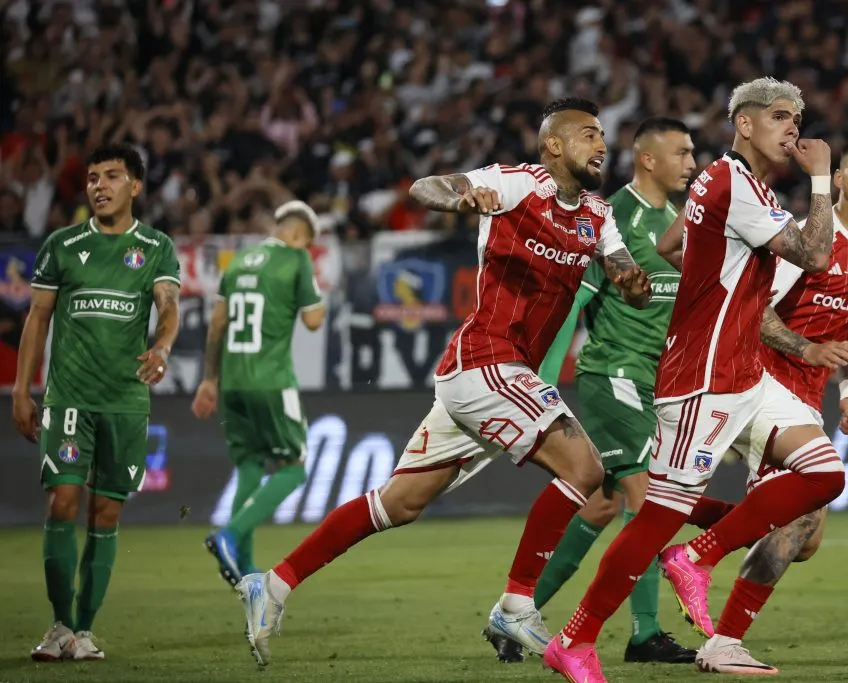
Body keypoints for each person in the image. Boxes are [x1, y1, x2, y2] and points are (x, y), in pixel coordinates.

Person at [233, 97, 652, 667]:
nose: (602, 144)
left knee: (399, 504)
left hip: (488, 377)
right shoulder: (514, 185)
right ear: (553, 144)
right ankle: (516, 604)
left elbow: (622, 265)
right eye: (587, 134)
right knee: (586, 471)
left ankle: (273, 583)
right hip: (487, 361)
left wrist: (631, 282)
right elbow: (425, 187)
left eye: (603, 135)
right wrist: (461, 196)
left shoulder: (597, 216)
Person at [544, 76, 846, 681]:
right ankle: (573, 641)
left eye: (798, 117)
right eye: (782, 116)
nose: (794, 127)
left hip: (744, 372)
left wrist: (719, 289)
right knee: (655, 514)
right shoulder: (735, 184)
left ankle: (699, 555)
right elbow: (816, 255)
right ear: (744, 123)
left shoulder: (721, 180)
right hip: (703, 378)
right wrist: (821, 177)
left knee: (823, 474)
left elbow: (672, 242)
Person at [664, 127, 848, 655]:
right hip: (762, 382)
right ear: (837, 177)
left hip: (807, 397)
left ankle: (677, 512)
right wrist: (805, 348)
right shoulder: (805, 237)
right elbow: (755, 312)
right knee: (801, 517)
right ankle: (723, 640)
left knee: (805, 541)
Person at [485, 116, 704, 665]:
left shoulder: (681, 224)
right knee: (649, 499)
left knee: (604, 504)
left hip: (657, 382)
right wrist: (541, 378)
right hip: (615, 375)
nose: (692, 164)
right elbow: (570, 306)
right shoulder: (615, 218)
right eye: (682, 153)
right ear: (648, 159)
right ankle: (644, 635)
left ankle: (516, 613)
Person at [12, 142, 181, 661]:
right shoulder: (62, 245)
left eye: (111, 176)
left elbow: (169, 306)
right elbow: (37, 318)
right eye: (91, 178)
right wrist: (22, 389)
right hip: (69, 400)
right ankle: (59, 625)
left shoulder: (154, 246)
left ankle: (84, 630)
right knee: (62, 500)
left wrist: (162, 347)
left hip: (125, 402)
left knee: (104, 514)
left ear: (135, 186)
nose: (99, 186)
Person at [191, 199, 326, 586]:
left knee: (250, 465)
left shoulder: (237, 262)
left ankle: (244, 569)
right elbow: (314, 321)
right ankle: (229, 536)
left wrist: (209, 379)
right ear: (301, 236)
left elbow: (216, 325)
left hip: (231, 383)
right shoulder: (297, 260)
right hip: (271, 381)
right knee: (295, 467)